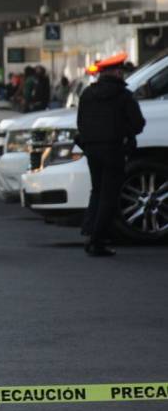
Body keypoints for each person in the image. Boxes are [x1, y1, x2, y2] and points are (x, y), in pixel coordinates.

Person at [76, 52, 145, 257]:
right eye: (121, 71)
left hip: (91, 150)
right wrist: (125, 132)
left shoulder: (87, 94)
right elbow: (138, 124)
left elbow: (80, 123)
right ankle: (97, 241)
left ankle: (90, 232)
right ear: (116, 72)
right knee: (109, 195)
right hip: (114, 149)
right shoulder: (123, 96)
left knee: (96, 191)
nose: (123, 75)